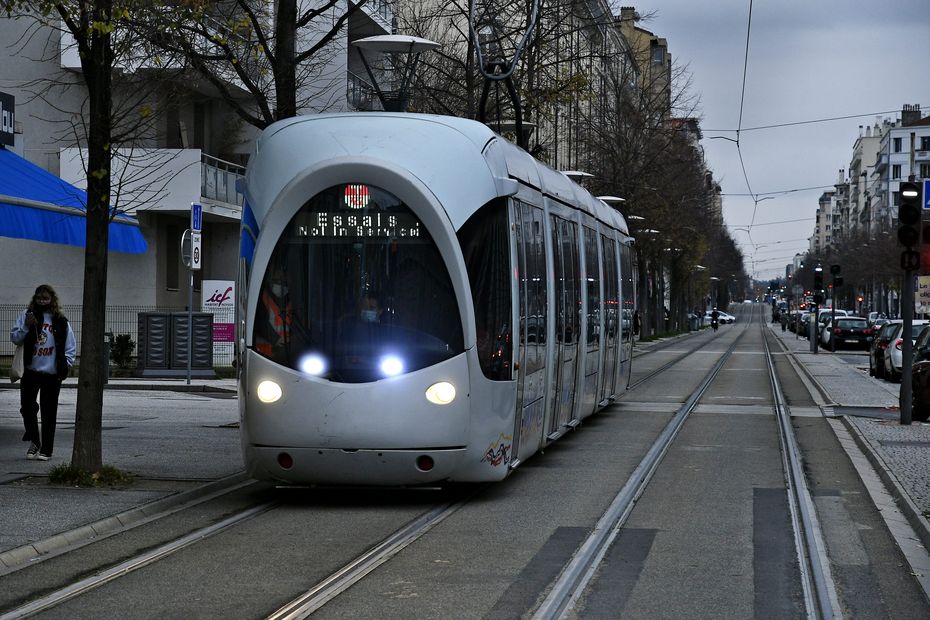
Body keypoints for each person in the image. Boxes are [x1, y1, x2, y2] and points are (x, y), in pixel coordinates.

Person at [10, 284, 76, 461]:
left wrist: (65, 364)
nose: (42, 301)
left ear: (52, 300)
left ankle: (47, 449)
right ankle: (34, 440)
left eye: (45, 298)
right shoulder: (27, 316)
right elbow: (15, 338)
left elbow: (70, 346)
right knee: (27, 408)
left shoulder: (60, 320)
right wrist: (25, 326)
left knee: (49, 412)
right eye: (39, 298)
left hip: (52, 374)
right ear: (35, 299)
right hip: (31, 371)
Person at [254, 264, 293, 361]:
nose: (280, 285)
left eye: (284, 282)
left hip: (289, 351)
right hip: (264, 355)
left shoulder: (294, 300)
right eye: (277, 281)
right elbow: (258, 323)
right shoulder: (261, 298)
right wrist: (275, 339)